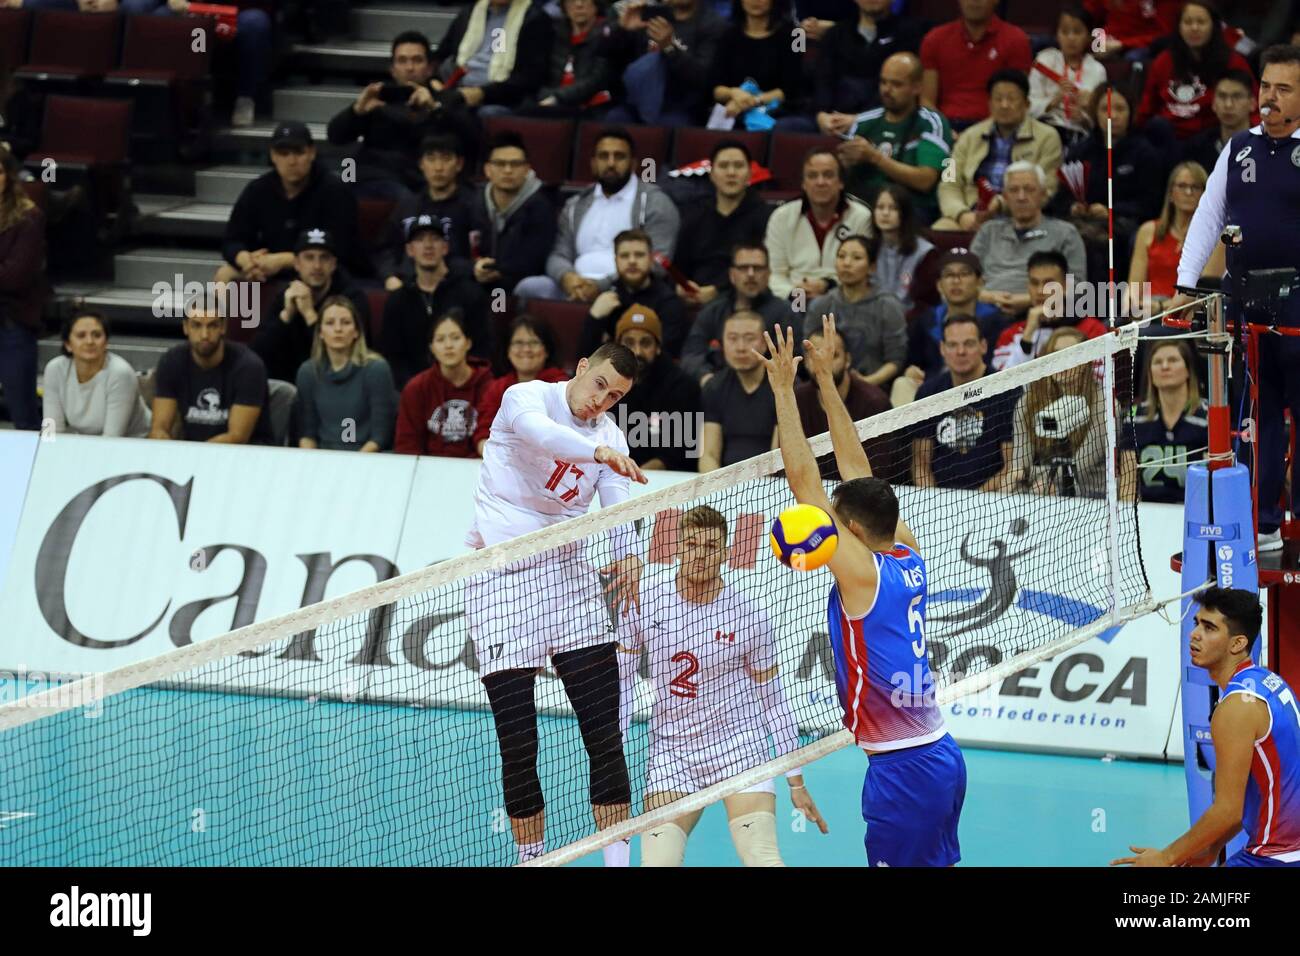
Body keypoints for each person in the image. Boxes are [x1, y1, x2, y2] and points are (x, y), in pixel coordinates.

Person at [762, 316, 967, 866]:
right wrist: (826, 381)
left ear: (848, 530)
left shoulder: (862, 573)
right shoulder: (907, 551)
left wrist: (785, 389)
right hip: (942, 754)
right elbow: (856, 469)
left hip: (903, 769)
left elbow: (807, 485)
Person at [463, 341, 646, 866]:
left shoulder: (610, 437)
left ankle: (616, 862)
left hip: (568, 580)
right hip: (500, 580)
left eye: (614, 397)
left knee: (604, 733)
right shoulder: (527, 398)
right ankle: (533, 859)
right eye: (599, 385)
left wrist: (628, 554)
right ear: (582, 366)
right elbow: (542, 437)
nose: (601, 402)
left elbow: (615, 506)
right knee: (519, 744)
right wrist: (597, 453)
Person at [616, 505, 827, 866]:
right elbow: (622, 685)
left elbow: (773, 703)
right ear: (676, 547)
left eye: (711, 546)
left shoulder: (749, 616)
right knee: (657, 862)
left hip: (739, 747)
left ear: (727, 553)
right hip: (672, 752)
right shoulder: (644, 602)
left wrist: (796, 780)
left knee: (762, 857)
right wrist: (613, 752)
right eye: (692, 544)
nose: (700, 554)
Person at [1167, 45, 1300, 552]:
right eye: (1266, 86)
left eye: (1283, 89)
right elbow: (1208, 214)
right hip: (1244, 300)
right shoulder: (1239, 146)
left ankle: (1298, 521)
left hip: (1298, 304)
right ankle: (1262, 521)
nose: (1270, 97)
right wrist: (1185, 282)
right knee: (1256, 414)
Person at [1114, 587, 1300, 867]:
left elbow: (1228, 811)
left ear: (1237, 644)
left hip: (1276, 858)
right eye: (1196, 623)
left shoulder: (1235, 709)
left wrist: (1165, 858)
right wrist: (1212, 846)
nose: (1195, 634)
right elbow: (1255, 793)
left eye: (1210, 627)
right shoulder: (1267, 681)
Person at [517, 128, 681, 302]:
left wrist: (600, 285)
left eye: (619, 156)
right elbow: (558, 253)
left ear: (633, 164)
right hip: (576, 286)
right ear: (593, 163)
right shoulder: (576, 204)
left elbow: (657, 262)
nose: (611, 163)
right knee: (528, 287)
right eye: (603, 156)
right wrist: (568, 278)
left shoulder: (657, 203)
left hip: (627, 288)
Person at [326, 31, 476, 201]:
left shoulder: (445, 100)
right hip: (369, 176)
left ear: (429, 68)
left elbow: (472, 140)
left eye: (417, 60)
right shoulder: (377, 97)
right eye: (402, 61)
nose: (409, 68)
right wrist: (356, 111)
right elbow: (335, 137)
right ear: (393, 69)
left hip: (419, 182)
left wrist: (434, 109)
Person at [217, 122, 362, 284]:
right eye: (284, 154)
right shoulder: (257, 189)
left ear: (312, 153)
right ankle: (237, 310)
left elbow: (341, 250)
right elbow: (232, 240)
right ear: (273, 156)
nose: (292, 161)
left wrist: (284, 260)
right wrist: (245, 259)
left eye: (299, 153)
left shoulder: (335, 191)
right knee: (225, 274)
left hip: (317, 272)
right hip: (266, 269)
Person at [1006, 326, 1137, 499]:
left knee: (1042, 487)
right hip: (1043, 487)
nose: (1063, 361)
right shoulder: (1027, 403)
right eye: (1057, 354)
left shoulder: (1105, 404)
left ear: (1085, 363)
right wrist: (1018, 477)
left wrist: (1032, 475)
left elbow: (1079, 466)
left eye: (1072, 354)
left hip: (1094, 491)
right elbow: (1018, 466)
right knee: (1009, 486)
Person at [936, 73, 1064, 231]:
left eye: (1011, 99)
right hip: (971, 214)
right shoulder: (970, 136)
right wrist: (961, 214)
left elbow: (1048, 188)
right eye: (998, 99)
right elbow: (949, 183)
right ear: (989, 103)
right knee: (940, 230)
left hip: (1021, 216)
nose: (1004, 105)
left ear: (1027, 104)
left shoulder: (1047, 137)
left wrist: (1002, 204)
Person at [1059, 83, 1165, 272]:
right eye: (1104, 109)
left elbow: (1151, 204)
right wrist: (1073, 206)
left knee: (1099, 244)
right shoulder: (1080, 151)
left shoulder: (1145, 153)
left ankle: (1103, 300)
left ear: (1130, 113)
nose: (1112, 115)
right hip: (1084, 221)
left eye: (1120, 109)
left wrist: (1112, 211)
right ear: (1094, 113)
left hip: (1124, 222)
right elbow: (1061, 195)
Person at [837, 53, 953, 224]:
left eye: (896, 84)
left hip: (912, 207)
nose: (886, 90)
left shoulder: (932, 123)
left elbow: (925, 180)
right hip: (865, 203)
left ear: (917, 87)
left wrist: (875, 157)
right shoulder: (864, 122)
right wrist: (844, 162)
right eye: (883, 82)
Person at [380, 214, 491, 390]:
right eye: (420, 239)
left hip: (463, 389)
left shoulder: (470, 293)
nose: (428, 245)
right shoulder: (398, 300)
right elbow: (393, 358)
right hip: (414, 393)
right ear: (409, 250)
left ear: (445, 247)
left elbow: (482, 351)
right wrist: (414, 390)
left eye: (435, 239)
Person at [120, 0, 273, 128]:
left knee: (255, 22)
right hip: (186, 9)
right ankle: (161, 102)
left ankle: (245, 97)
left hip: (232, 11)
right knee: (150, 12)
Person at [911, 315, 1017, 492]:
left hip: (992, 498)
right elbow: (920, 462)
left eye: (969, 344)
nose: (960, 351)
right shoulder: (928, 394)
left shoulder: (1006, 391)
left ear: (983, 346)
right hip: (937, 500)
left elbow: (1011, 463)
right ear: (942, 349)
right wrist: (934, 500)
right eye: (952, 345)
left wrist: (974, 501)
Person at [252, 229, 371, 383]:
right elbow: (257, 355)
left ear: (334, 264)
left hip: (338, 383)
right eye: (309, 258)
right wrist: (286, 316)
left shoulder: (352, 298)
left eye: (324, 258)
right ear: (297, 264)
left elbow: (350, 355)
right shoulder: (286, 295)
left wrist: (310, 314)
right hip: (289, 385)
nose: (317, 266)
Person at [149, 300, 273, 445]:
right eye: (196, 325)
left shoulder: (249, 367)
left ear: (223, 327)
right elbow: (159, 427)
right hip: (194, 452)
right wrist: (160, 438)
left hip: (248, 456)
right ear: (185, 327)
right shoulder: (171, 361)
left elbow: (237, 437)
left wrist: (195, 456)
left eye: (212, 326)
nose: (204, 335)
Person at [794, 320, 902, 479]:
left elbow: (878, 473)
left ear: (848, 360)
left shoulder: (874, 402)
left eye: (833, 355)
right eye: (814, 356)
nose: (823, 364)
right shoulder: (798, 399)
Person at [970, 164, 1087, 309]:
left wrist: (1028, 300)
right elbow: (967, 278)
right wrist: (990, 297)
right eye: (1013, 190)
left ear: (1043, 195)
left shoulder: (1065, 233)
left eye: (1029, 189)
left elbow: (1077, 287)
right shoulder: (988, 231)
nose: (1021, 197)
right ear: (1005, 197)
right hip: (987, 307)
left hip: (1045, 309)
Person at [680, 241, 797, 385]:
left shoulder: (786, 313)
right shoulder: (713, 311)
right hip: (718, 388)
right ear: (732, 274)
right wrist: (707, 379)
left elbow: (796, 360)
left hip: (771, 391)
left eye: (758, 268)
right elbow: (691, 355)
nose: (750, 274)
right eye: (743, 268)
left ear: (768, 274)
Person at [672, 140, 773, 307]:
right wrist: (683, 287)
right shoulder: (694, 214)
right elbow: (679, 267)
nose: (731, 173)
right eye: (724, 166)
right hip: (695, 297)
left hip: (745, 299)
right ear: (711, 174)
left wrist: (718, 291)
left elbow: (765, 269)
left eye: (738, 166)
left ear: (750, 174)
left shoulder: (766, 217)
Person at [763, 148, 874, 301]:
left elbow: (863, 271)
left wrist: (827, 286)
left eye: (828, 175)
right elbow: (774, 273)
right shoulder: (782, 217)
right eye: (812, 176)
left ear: (840, 182)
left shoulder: (861, 217)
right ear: (803, 183)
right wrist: (797, 296)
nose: (820, 182)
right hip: (793, 299)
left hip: (845, 298)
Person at [1137, 0, 1255, 141]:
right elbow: (1147, 108)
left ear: (1213, 26)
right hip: (1169, 137)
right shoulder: (1163, 61)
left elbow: (1255, 104)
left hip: (1211, 137)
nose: (1194, 28)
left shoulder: (1233, 62)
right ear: (1179, 27)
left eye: (1201, 22)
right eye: (1188, 22)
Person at [899, 248, 1004, 403]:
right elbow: (913, 362)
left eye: (964, 274)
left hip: (983, 392)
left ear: (980, 282)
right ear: (939, 285)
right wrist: (911, 371)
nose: (956, 281)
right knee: (902, 384)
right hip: (932, 394)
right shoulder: (925, 321)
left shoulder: (997, 321)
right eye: (949, 275)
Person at [295, 296, 397, 453]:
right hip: (323, 459)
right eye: (330, 323)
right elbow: (307, 435)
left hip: (368, 458)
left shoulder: (376, 369)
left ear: (356, 331)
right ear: (320, 332)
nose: (338, 329)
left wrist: (351, 465)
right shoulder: (308, 372)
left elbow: (380, 437)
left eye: (346, 322)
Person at [804, 234, 907, 389]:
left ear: (872, 267)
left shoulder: (887, 305)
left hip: (874, 389)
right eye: (841, 256)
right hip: (825, 387)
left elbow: (896, 359)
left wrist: (865, 383)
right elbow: (808, 353)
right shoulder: (820, 305)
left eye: (856, 258)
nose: (846, 263)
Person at [603, 0, 727, 127]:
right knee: (615, 118)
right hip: (636, 102)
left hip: (682, 107)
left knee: (671, 124)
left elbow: (702, 78)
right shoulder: (650, 14)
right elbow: (608, 60)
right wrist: (622, 29)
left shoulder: (713, 24)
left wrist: (669, 47)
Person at [376, 135, 476, 291]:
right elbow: (384, 249)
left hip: (453, 286)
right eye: (431, 159)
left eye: (445, 159)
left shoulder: (473, 205)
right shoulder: (408, 204)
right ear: (421, 164)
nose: (438, 167)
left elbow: (477, 257)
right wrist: (389, 276)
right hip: (406, 285)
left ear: (459, 164)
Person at [467, 131, 557, 297]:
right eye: (500, 164)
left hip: (512, 285)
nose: (508, 170)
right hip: (478, 279)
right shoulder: (474, 202)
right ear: (488, 169)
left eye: (515, 164)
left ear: (527, 169)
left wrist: (498, 271)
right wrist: (474, 268)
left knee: (498, 299)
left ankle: (497, 318)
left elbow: (534, 260)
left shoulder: (542, 206)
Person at [612, 305, 702, 471]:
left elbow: (683, 451)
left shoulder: (683, 386)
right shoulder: (606, 384)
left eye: (645, 343)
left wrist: (637, 475)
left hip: (665, 480)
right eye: (629, 343)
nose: (637, 351)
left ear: (658, 347)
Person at [429, 0, 555, 118]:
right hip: (458, 90)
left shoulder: (534, 19)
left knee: (485, 113)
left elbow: (529, 79)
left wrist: (482, 93)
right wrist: (434, 80)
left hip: (503, 99)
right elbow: (441, 54)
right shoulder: (470, 13)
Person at [920, 0, 1032, 130]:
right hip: (945, 126)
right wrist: (944, 131)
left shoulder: (1016, 40)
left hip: (997, 127)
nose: (974, 1)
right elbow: (926, 101)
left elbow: (1017, 99)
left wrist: (977, 135)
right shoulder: (934, 39)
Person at [395, 310, 495, 457]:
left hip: (477, 469)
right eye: (440, 340)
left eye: (455, 338)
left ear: (468, 343)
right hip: (429, 470)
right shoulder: (416, 388)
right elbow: (407, 445)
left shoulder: (489, 387)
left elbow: (494, 439)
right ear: (432, 348)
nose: (448, 345)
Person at [579, 229, 689, 358]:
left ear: (651, 259)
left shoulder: (668, 301)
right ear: (615, 261)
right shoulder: (606, 298)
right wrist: (595, 319)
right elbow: (585, 359)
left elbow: (668, 355)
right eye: (624, 256)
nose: (632, 261)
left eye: (639, 255)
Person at [812, 0, 926, 123]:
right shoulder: (835, 34)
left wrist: (860, 120)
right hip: (833, 118)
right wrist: (822, 115)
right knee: (792, 125)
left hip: (884, 119)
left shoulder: (909, 34)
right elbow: (823, 81)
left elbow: (899, 90)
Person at [42, 310, 151, 438]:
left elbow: (112, 437)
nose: (89, 341)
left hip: (135, 442)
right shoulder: (54, 369)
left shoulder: (120, 373)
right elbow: (51, 430)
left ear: (106, 342)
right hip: (89, 441)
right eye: (81, 335)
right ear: (68, 344)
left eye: (97, 335)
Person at [992, 251, 1107, 370]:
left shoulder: (1092, 329)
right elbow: (1005, 385)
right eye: (1034, 283)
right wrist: (1028, 335)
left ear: (1065, 286)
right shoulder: (1011, 334)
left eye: (1049, 283)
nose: (1040, 290)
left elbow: (1101, 380)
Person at [710, 0, 812, 133]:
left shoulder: (796, 35)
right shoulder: (726, 35)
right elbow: (715, 88)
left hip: (779, 111)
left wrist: (753, 101)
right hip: (734, 106)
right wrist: (733, 93)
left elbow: (792, 89)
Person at [474, 315, 569, 456]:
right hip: (503, 463)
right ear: (508, 351)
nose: (526, 349)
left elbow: (564, 436)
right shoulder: (497, 388)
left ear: (547, 350)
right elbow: (483, 434)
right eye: (518, 343)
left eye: (534, 342)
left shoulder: (561, 386)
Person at [0, 144, 44, 430]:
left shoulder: (28, 218)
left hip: (12, 323)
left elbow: (14, 277)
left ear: (8, 177)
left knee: (22, 409)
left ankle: (33, 470)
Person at [699, 310, 777, 470]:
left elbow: (780, 455)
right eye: (733, 339)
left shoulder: (782, 386)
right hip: (726, 484)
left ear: (764, 344)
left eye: (749, 339)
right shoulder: (714, 387)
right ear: (722, 343)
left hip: (774, 482)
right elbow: (709, 454)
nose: (741, 347)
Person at [1128, 162, 1209, 315]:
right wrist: (1134, 306)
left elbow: (1202, 294)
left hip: (1186, 313)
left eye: (1196, 187)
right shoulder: (1148, 231)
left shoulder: (1210, 237)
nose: (1188, 192)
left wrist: (1160, 306)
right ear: (1171, 193)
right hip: (1146, 310)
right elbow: (1134, 288)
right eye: (1182, 185)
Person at [1133, 340, 1208, 503]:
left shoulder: (1208, 416)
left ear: (1188, 370)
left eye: (1173, 360)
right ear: (1150, 374)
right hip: (1148, 511)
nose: (1165, 366)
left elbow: (1212, 484)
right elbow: (1128, 483)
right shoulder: (1135, 418)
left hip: (1193, 513)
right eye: (1157, 362)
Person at [517, 0, 614, 119]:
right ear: (564, 6)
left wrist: (558, 97)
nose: (579, 4)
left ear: (596, 4)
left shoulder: (608, 35)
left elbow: (596, 80)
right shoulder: (553, 32)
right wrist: (547, 95)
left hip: (588, 105)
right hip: (552, 99)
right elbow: (537, 75)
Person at [1028, 6, 1108, 147]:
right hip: (1045, 128)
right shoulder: (1044, 61)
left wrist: (1087, 112)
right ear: (1057, 35)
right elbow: (1027, 106)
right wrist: (1054, 101)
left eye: (1077, 32)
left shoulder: (1098, 70)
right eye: (1065, 32)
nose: (1071, 38)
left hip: (1081, 133)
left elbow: (1104, 118)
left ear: (1089, 36)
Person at [871, 184, 937, 312]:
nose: (885, 213)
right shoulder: (869, 248)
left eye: (893, 208)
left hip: (909, 320)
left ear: (905, 213)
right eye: (880, 207)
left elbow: (925, 302)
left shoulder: (925, 253)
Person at [1180, 70, 1257, 175]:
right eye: (1222, 96)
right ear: (1214, 103)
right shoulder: (1197, 148)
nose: (1228, 104)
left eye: (1237, 96)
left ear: (1253, 103)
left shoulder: (1265, 147)